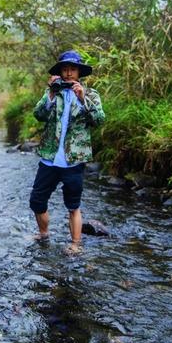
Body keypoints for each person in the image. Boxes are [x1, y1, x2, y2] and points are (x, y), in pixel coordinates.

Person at [29, 50, 105, 254]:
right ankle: (44, 234)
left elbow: (99, 120)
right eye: (65, 69)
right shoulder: (53, 92)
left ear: (79, 72)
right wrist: (51, 95)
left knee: (73, 204)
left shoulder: (91, 94)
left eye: (73, 69)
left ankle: (75, 244)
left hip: (74, 159)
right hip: (50, 158)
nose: (69, 73)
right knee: (37, 200)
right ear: (60, 72)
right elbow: (38, 115)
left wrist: (82, 100)